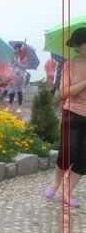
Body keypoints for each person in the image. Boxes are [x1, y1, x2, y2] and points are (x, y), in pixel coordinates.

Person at [43, 27, 86, 208]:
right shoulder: (70, 65)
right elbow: (63, 92)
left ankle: (67, 193)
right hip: (73, 112)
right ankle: (55, 183)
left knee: (84, 158)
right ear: (77, 45)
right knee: (68, 150)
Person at [8, 42, 29, 113]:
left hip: (20, 77)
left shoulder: (24, 57)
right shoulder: (13, 57)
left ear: (20, 49)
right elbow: (10, 65)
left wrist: (18, 64)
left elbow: (26, 66)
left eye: (17, 49)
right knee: (11, 91)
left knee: (19, 92)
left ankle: (19, 107)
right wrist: (12, 65)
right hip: (13, 76)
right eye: (15, 49)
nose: (15, 50)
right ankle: (10, 106)